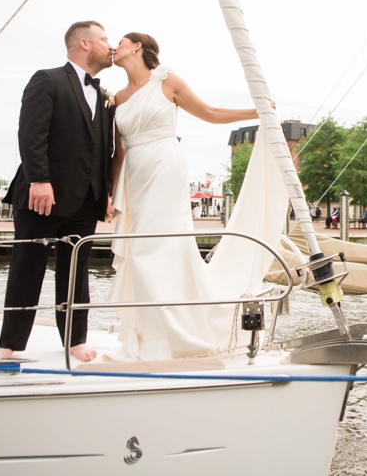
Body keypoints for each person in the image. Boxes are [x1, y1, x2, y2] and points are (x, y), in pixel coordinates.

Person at [107, 32, 264, 361]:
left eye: (119, 41)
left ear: (137, 46)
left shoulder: (166, 81)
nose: (113, 47)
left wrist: (253, 112)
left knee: (159, 246)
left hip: (164, 167)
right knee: (138, 249)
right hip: (134, 174)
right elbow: (118, 151)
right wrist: (111, 191)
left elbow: (208, 112)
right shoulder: (119, 98)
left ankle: (177, 330)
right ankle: (149, 331)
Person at [0, 20, 115, 363]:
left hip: (86, 200)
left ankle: (75, 340)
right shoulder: (47, 79)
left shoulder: (106, 96)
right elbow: (31, 134)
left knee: (76, 271)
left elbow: (105, 148)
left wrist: (105, 193)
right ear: (84, 43)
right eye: (104, 39)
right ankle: (9, 345)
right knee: (26, 268)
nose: (111, 45)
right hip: (40, 197)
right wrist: (39, 179)